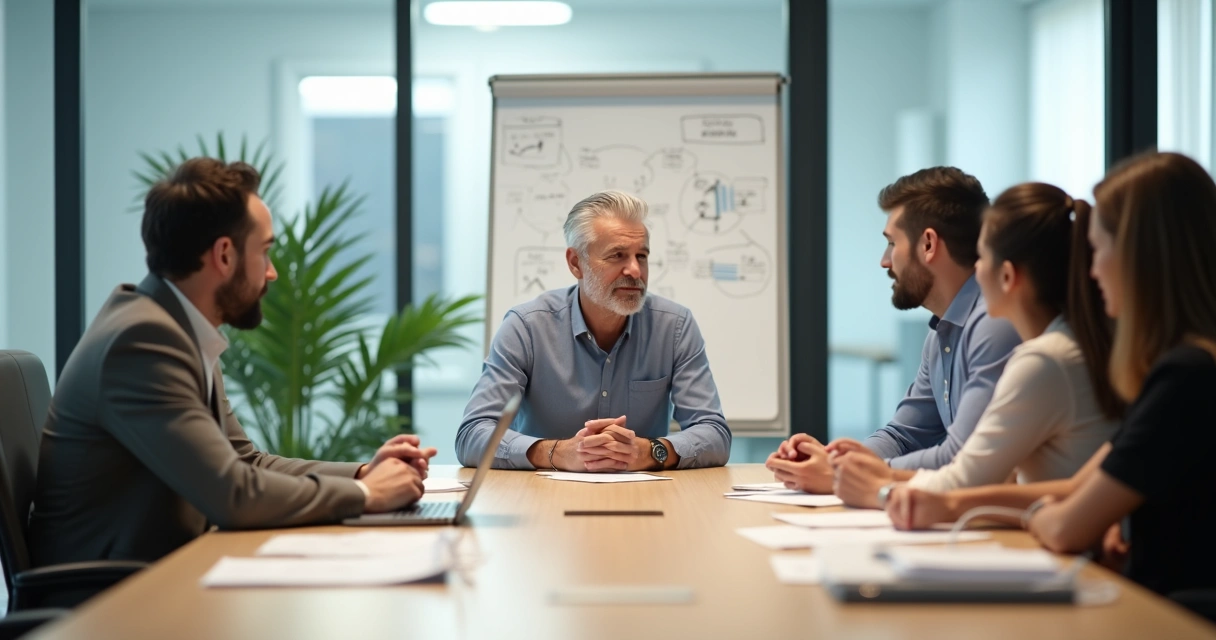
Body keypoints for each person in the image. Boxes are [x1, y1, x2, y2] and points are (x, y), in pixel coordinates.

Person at [29, 158, 435, 567]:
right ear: (224, 255)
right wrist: (367, 495)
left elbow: (245, 462)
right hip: (108, 595)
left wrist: (362, 473)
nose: (272, 273)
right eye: (265, 252)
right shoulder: (142, 342)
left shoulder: (176, 326)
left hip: (162, 573)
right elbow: (233, 494)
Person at [886, 152, 1216, 598]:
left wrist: (909, 492)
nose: (1093, 271)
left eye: (1100, 251)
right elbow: (1074, 489)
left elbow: (1065, 523)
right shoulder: (1177, 369)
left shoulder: (1183, 377)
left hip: (1168, 614)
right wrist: (950, 501)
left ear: (1142, 259)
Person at [828, 182, 1124, 507]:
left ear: (1007, 277)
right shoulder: (1050, 348)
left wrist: (872, 483)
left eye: (982, 258)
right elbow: (913, 438)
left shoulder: (1042, 359)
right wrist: (845, 465)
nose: (976, 270)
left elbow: (964, 473)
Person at [767, 167, 1020, 492]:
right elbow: (904, 436)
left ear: (928, 244)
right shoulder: (940, 333)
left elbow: (961, 459)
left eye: (891, 243)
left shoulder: (994, 324)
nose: (885, 261)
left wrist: (846, 473)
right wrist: (834, 460)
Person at [456, 190, 730, 471]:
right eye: (617, 256)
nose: (635, 271)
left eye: (641, 256)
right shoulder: (526, 327)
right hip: (541, 493)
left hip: (643, 492)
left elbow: (714, 433)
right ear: (576, 263)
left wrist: (649, 452)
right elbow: (472, 435)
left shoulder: (674, 327)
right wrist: (556, 453)